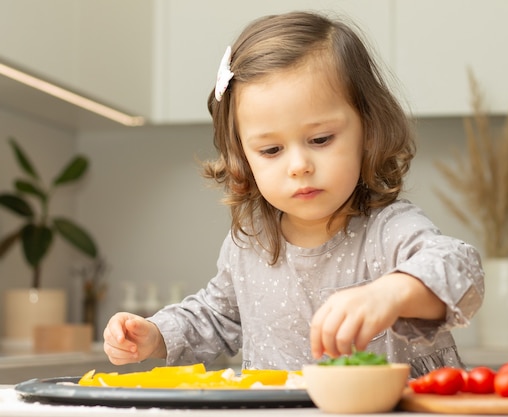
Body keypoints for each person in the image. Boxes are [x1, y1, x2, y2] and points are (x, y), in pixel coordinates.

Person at [102, 10, 484, 377]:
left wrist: (392, 293)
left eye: (320, 139)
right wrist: (154, 334)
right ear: (242, 157)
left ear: (368, 130)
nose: (298, 165)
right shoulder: (249, 245)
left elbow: (459, 268)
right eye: (271, 150)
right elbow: (214, 316)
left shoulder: (388, 229)